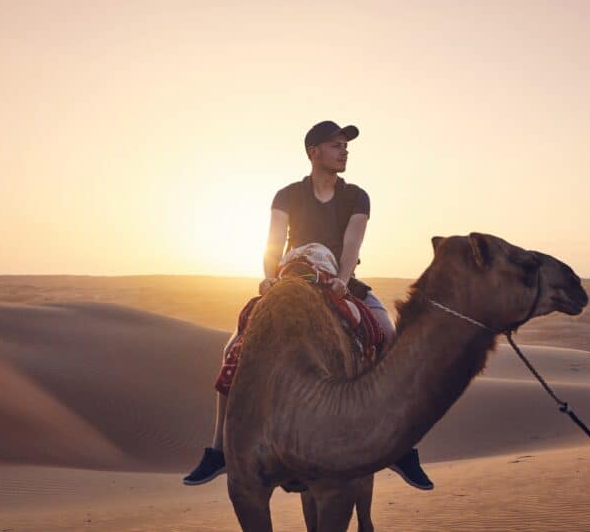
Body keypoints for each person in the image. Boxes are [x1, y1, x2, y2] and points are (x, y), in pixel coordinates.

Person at [183, 120, 434, 490]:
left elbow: (352, 245)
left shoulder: (357, 196)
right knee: (233, 349)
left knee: (388, 335)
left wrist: (343, 281)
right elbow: (273, 241)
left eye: (345, 145)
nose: (344, 150)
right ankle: (219, 450)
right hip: (291, 279)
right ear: (314, 152)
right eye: (336, 145)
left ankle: (400, 447)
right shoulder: (287, 195)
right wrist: (269, 277)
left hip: (340, 279)